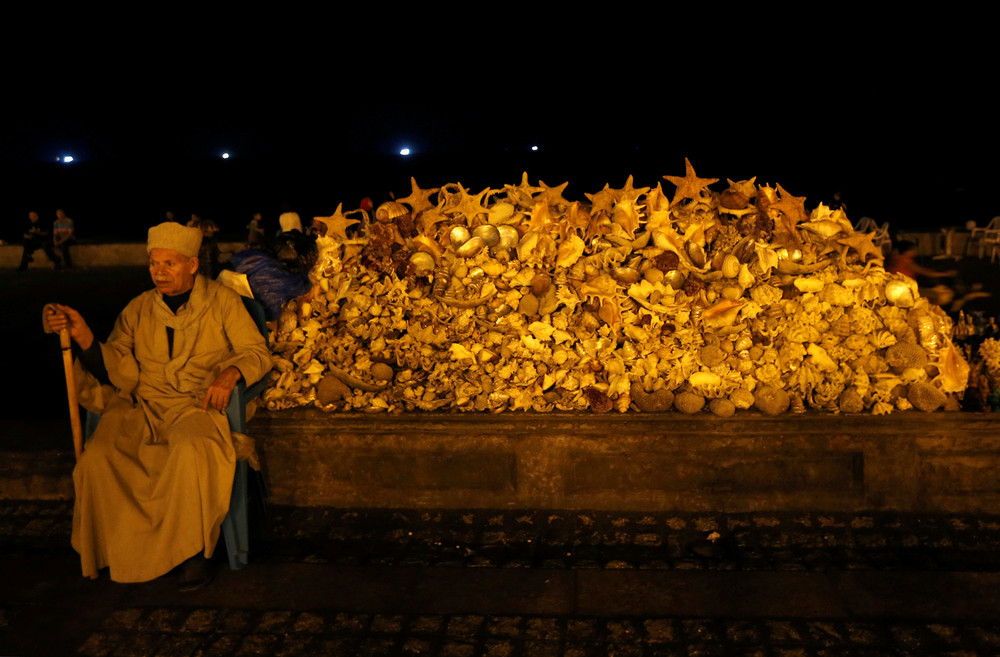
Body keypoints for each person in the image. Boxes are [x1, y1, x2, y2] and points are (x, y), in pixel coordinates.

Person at [43, 222, 272, 590]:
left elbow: (255, 352)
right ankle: (115, 548)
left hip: (196, 407)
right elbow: (116, 366)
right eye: (154, 264)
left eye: (170, 264)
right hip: (144, 405)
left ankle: (190, 553)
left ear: (193, 265)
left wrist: (230, 373)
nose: (159, 272)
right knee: (100, 456)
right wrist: (83, 335)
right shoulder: (137, 309)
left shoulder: (222, 302)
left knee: (189, 450)